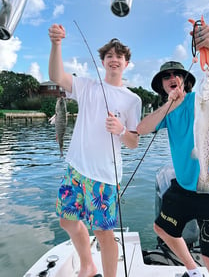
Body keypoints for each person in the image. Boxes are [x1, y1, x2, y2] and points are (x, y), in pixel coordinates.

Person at [137, 23, 209, 277]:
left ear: (186, 81)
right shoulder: (166, 112)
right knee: (162, 228)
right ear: (162, 85)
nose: (173, 78)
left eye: (177, 75)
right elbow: (141, 128)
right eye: (167, 76)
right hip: (184, 187)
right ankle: (193, 271)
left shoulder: (201, 99)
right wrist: (169, 106)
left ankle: (202, 266)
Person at [48, 24, 142, 277]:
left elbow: (134, 143)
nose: (114, 59)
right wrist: (57, 43)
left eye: (119, 56)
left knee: (103, 232)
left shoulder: (133, 100)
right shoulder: (86, 86)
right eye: (109, 55)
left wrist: (121, 131)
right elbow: (57, 76)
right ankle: (88, 265)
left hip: (104, 177)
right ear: (102, 61)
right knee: (67, 221)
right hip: (75, 168)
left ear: (126, 63)